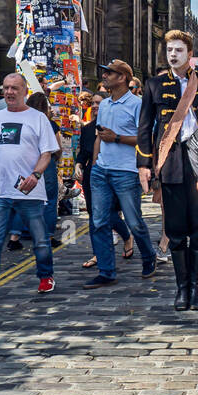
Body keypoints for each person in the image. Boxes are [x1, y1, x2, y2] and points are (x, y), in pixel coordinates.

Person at [136, 30, 198, 311]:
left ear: (190, 53)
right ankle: (181, 288)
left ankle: (196, 288)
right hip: (170, 162)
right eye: (170, 50)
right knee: (174, 227)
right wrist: (144, 165)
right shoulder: (154, 85)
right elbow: (145, 127)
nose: (173, 54)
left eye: (179, 50)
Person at [0, 72, 58, 308]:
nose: (9, 92)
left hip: (30, 192)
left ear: (25, 91)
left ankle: (45, 276)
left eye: (14, 88)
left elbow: (47, 153)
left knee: (40, 240)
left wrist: (36, 175)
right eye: (6, 88)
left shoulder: (38, 118)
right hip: (0, 191)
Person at [83, 60, 157, 287]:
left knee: (134, 222)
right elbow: (99, 136)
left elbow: (147, 139)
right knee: (99, 221)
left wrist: (117, 138)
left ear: (122, 77)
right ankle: (106, 271)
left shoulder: (137, 104)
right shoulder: (104, 105)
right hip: (101, 171)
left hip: (126, 171)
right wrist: (95, 163)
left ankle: (149, 256)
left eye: (109, 73)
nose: (104, 76)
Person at [76, 92, 132, 269]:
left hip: (112, 174)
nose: (94, 106)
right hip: (92, 177)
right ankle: (99, 253)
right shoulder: (86, 129)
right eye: (93, 103)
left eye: (99, 103)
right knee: (95, 217)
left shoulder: (116, 127)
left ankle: (127, 237)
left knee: (110, 214)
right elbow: (83, 153)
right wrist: (78, 164)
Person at [24, 92, 64, 246]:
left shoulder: (24, 122)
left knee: (26, 197)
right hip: (46, 165)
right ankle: (47, 235)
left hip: (27, 164)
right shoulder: (49, 124)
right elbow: (57, 147)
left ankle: (24, 231)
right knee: (49, 200)